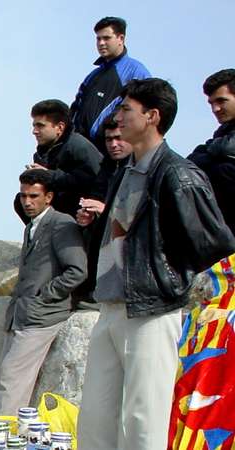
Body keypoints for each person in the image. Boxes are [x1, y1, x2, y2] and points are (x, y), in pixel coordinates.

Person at [77, 78, 235, 450]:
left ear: (151, 116)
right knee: (96, 419)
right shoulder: (125, 170)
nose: (118, 117)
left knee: (143, 419)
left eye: (126, 109)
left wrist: (172, 281)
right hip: (112, 305)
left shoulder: (179, 174)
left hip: (152, 309)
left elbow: (215, 243)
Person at [0, 169, 87, 417]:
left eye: (34, 196)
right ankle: (0, 434)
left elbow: (77, 270)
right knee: (3, 378)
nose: (27, 202)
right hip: (21, 315)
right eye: (23, 196)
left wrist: (45, 294)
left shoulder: (61, 224)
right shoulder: (33, 225)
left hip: (42, 317)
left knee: (10, 380)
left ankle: (3, 438)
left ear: (49, 197)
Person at [70, 17, 150, 152]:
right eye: (98, 39)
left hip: (112, 151)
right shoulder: (92, 76)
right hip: (81, 151)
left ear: (121, 38)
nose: (101, 43)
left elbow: (142, 115)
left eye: (106, 38)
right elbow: (75, 109)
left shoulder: (136, 71)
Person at [14, 99, 102, 222]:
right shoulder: (42, 153)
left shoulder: (79, 146)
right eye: (34, 126)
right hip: (57, 213)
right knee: (22, 199)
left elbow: (95, 181)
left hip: (82, 217)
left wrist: (49, 175)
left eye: (40, 126)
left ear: (60, 127)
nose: (34, 131)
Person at [188, 69, 235, 234]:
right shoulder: (223, 131)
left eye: (222, 101)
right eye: (211, 103)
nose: (215, 109)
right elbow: (193, 160)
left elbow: (226, 149)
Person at [76, 117, 133, 224]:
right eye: (109, 139)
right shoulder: (106, 166)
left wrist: (106, 211)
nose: (113, 145)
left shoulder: (141, 168)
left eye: (118, 138)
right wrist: (89, 215)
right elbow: (96, 197)